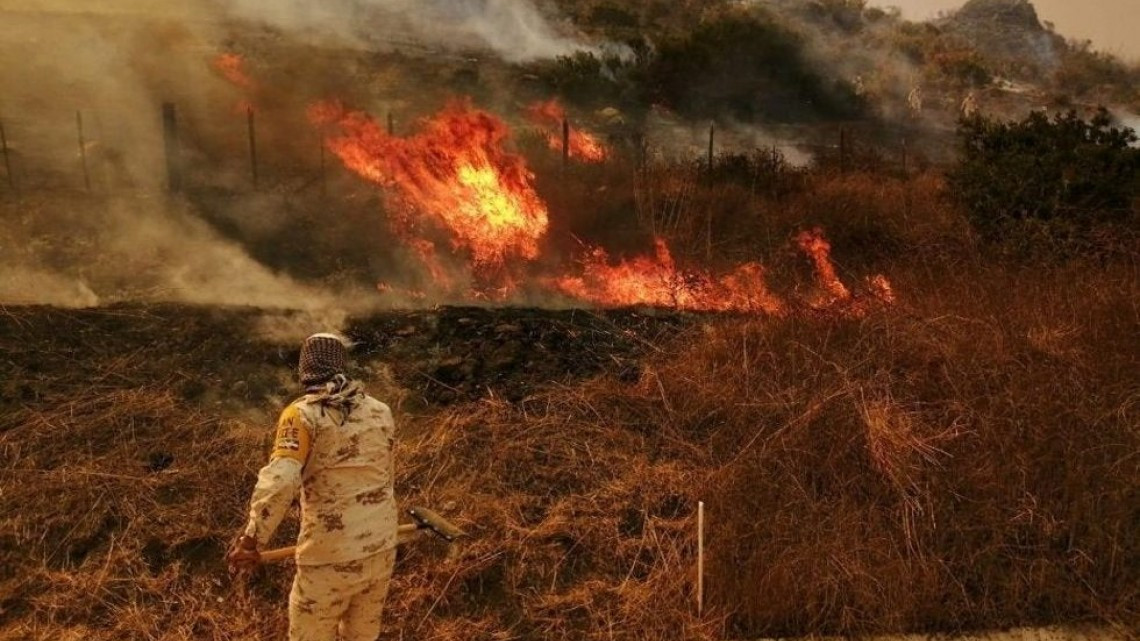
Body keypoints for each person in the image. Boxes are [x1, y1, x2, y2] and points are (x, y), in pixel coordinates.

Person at [227, 332, 398, 641]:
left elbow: (280, 482)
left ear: (305, 368)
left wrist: (252, 539)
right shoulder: (380, 411)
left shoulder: (302, 415)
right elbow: (386, 477)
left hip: (328, 557)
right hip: (382, 550)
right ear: (341, 365)